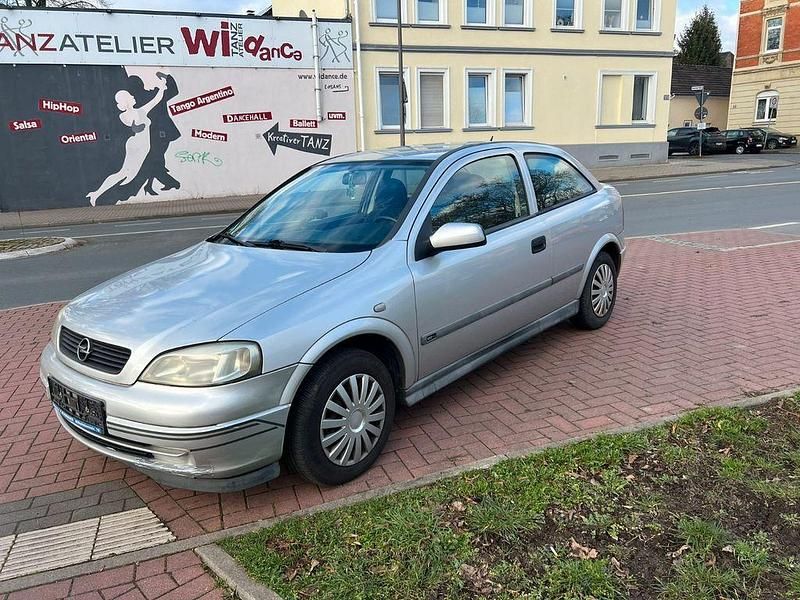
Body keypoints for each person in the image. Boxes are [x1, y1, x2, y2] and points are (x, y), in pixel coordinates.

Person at [86, 73, 168, 206]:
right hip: (137, 145)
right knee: (124, 173)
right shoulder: (130, 115)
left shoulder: (138, 112)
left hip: (141, 146)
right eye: (130, 96)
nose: (133, 96)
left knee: (127, 174)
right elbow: (137, 128)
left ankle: (96, 193)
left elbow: (155, 101)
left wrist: (162, 87)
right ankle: (96, 194)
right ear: (125, 102)